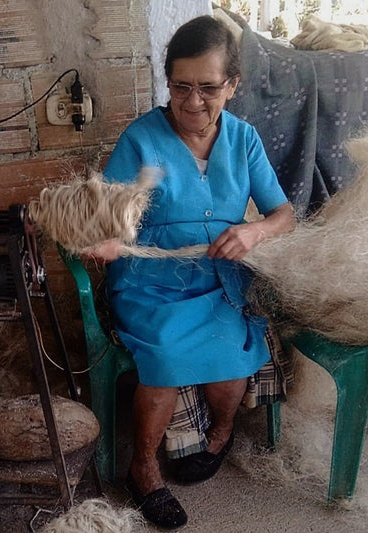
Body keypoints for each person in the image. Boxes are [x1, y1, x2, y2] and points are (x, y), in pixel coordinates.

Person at [89, 15, 295, 530]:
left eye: (208, 88)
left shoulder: (244, 139)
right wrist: (109, 238)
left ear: (233, 85)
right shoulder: (141, 138)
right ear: (168, 83)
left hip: (220, 279)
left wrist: (253, 233)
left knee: (230, 365)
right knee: (164, 361)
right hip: (151, 284)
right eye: (181, 87)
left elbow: (283, 214)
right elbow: (108, 215)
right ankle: (144, 470)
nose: (193, 102)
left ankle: (219, 435)